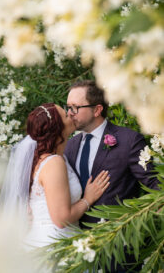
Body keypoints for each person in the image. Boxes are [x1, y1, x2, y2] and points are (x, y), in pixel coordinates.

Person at [64, 80, 159, 272]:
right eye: (68, 107)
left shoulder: (129, 140)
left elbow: (155, 187)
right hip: (77, 247)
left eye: (75, 107)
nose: (69, 113)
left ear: (97, 109)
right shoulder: (69, 146)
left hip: (119, 247)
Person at [0, 103, 110, 251]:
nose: (70, 114)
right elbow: (61, 219)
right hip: (54, 244)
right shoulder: (53, 163)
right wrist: (88, 199)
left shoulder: (53, 158)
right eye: (65, 115)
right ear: (57, 129)